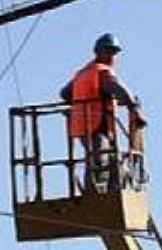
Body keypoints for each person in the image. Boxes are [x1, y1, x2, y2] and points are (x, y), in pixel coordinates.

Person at [59, 33, 147, 192]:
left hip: (83, 126)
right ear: (98, 52)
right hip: (95, 124)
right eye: (108, 51)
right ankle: (94, 195)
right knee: (100, 160)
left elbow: (65, 93)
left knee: (113, 161)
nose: (111, 56)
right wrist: (133, 108)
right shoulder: (102, 71)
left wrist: (78, 105)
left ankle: (111, 191)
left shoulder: (82, 73)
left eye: (114, 53)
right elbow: (116, 88)